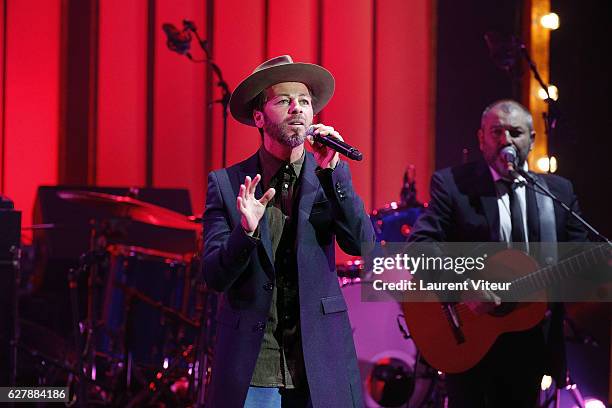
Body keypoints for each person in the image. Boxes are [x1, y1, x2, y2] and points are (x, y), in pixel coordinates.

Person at [202, 55, 375, 408]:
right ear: (259, 116)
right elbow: (214, 275)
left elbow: (362, 244)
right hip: (253, 367)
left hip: (319, 363)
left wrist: (335, 175)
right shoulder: (227, 184)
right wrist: (245, 233)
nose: (297, 108)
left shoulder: (328, 176)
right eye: (284, 100)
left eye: (305, 101)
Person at [407, 99, 589, 407]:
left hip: (531, 342)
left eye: (515, 132)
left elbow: (582, 259)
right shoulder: (453, 185)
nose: (505, 140)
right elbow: (420, 247)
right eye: (496, 132)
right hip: (467, 337)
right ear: (481, 139)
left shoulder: (557, 192)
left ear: (532, 140)